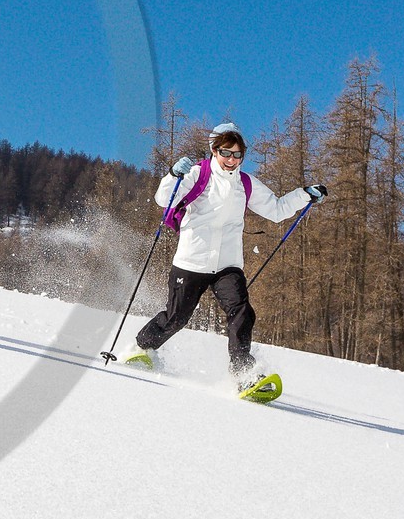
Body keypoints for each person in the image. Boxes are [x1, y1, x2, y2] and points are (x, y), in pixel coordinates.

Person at [125, 122, 326, 387]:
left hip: (227, 265)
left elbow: (276, 210)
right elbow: (165, 200)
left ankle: (243, 373)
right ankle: (141, 349)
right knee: (177, 318)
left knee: (242, 311)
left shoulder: (245, 183)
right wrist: (174, 175)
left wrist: (304, 195)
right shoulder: (197, 174)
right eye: (225, 152)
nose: (231, 159)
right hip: (191, 261)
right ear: (214, 150)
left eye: (237, 154)